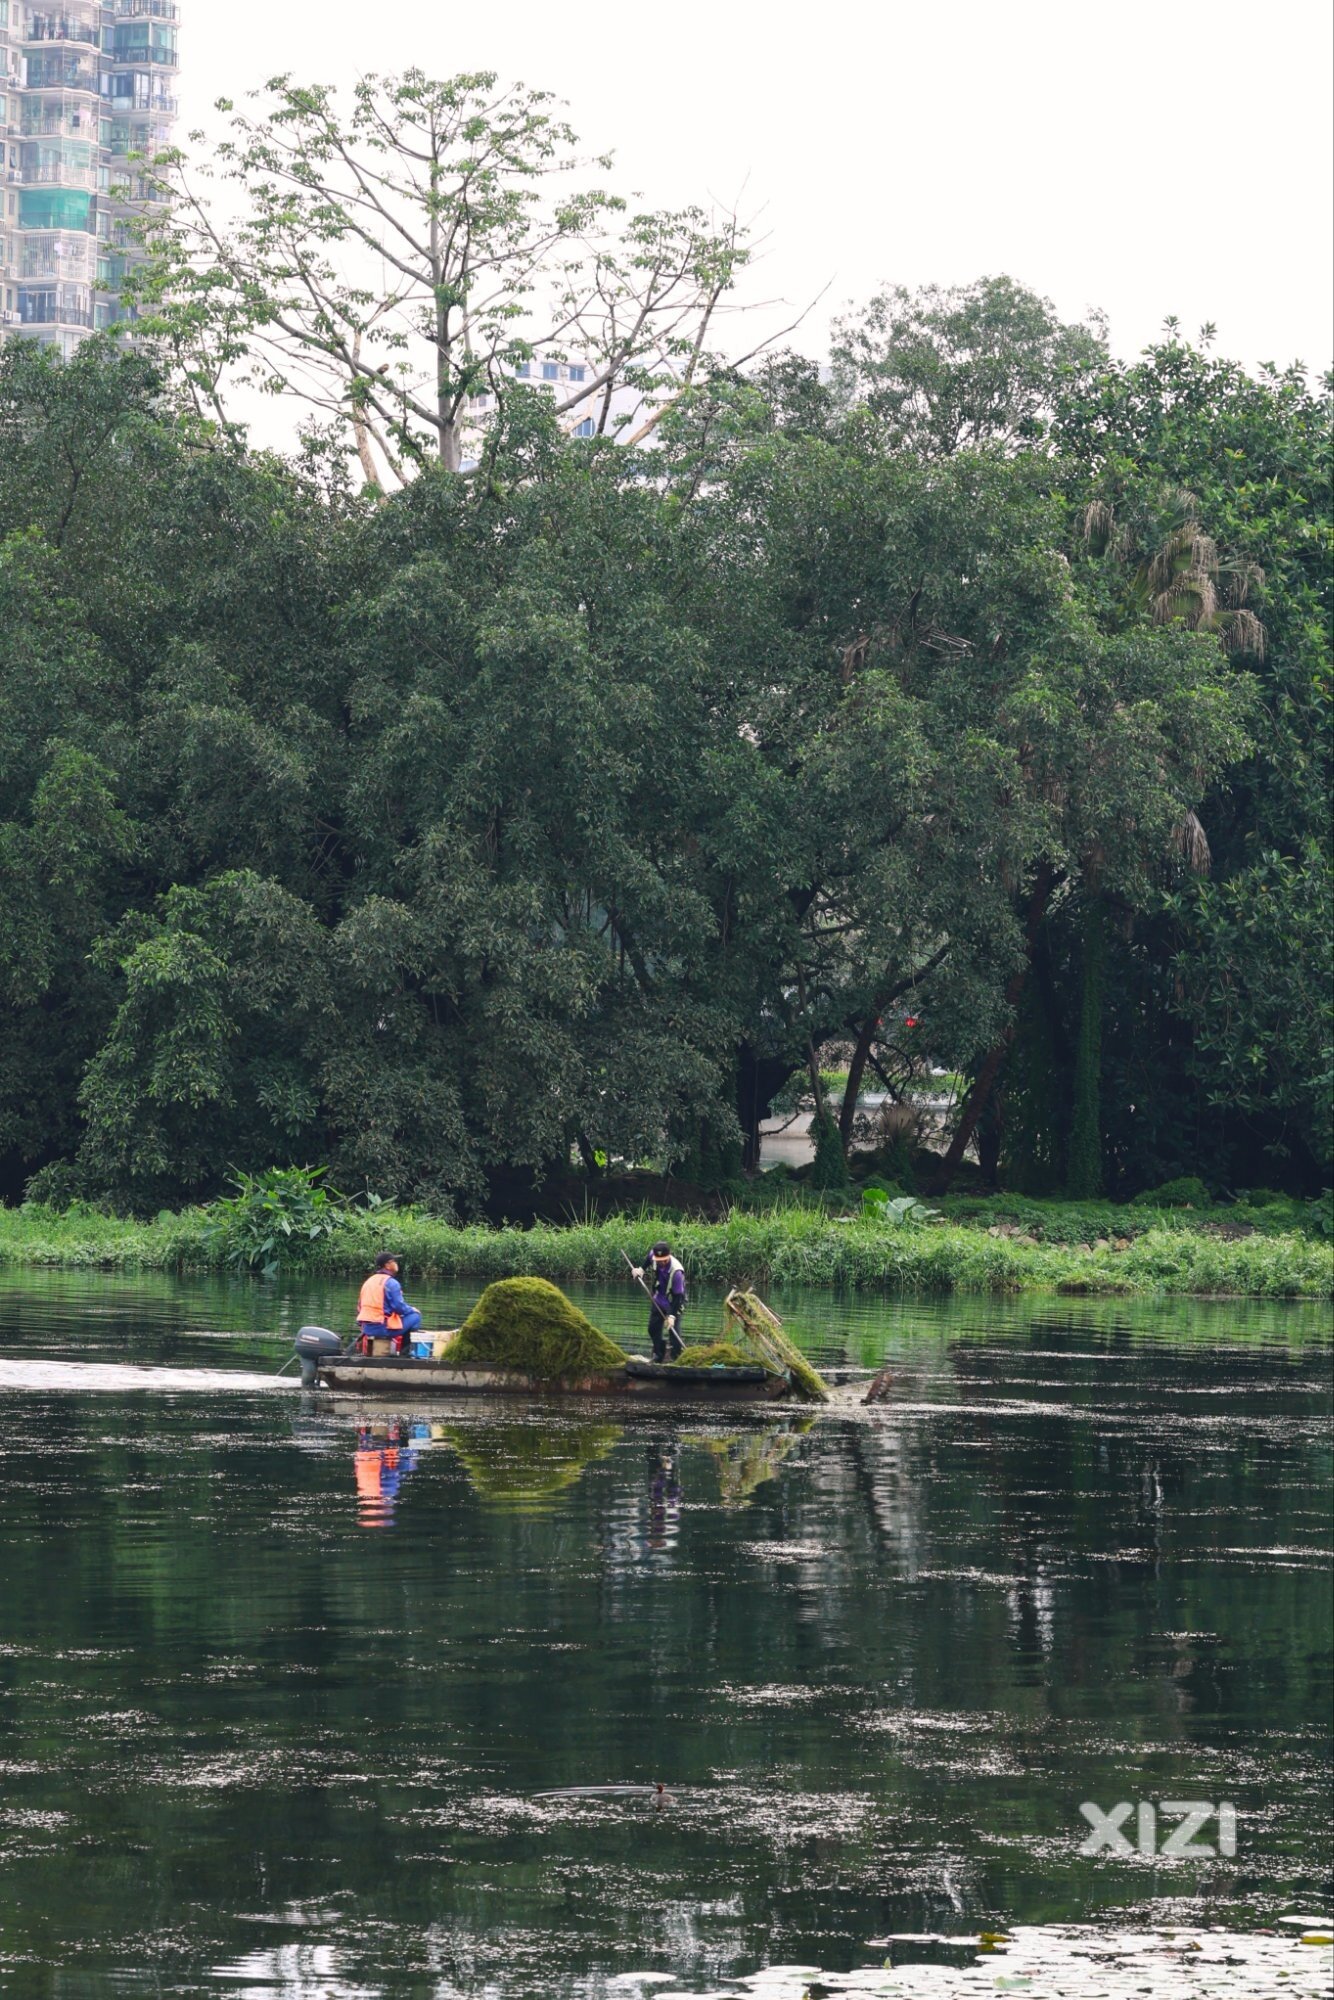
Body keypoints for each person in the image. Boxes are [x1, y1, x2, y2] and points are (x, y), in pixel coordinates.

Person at [354, 1253, 423, 1354]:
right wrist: (412, 1309)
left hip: (367, 1328)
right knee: (416, 1316)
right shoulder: (391, 1283)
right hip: (382, 1328)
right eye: (394, 1261)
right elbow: (399, 1308)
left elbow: (359, 1308)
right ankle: (404, 1353)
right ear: (387, 1265)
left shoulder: (368, 1281)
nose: (396, 1264)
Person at [632, 1240, 686, 1362]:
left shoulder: (677, 1272)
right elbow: (648, 1259)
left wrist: (672, 1316)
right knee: (653, 1329)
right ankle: (659, 1354)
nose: (661, 1263)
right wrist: (641, 1269)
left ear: (669, 1256)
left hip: (674, 1303)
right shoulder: (654, 1255)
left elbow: (678, 1297)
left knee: (674, 1337)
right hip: (659, 1299)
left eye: (664, 1260)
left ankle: (677, 1361)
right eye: (659, 1260)